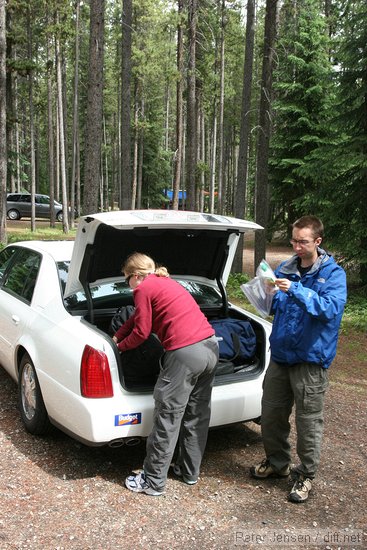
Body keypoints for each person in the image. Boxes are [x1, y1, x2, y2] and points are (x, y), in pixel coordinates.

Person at [250, 216, 347, 503]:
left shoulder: (333, 274)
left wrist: (296, 290)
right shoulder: (286, 268)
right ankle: (277, 464)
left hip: (310, 359)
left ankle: (305, 475)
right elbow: (276, 306)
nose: (296, 246)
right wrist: (267, 292)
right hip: (281, 356)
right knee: (271, 415)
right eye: (294, 241)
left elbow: (329, 309)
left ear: (318, 241)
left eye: (303, 242)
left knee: (308, 422)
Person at [113, 252, 219, 496]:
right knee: (196, 415)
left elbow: (142, 332)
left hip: (184, 355)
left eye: (126, 279)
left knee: (167, 417)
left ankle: (152, 481)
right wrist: (118, 334)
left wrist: (119, 347)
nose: (127, 285)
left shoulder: (142, 289)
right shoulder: (166, 282)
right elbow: (137, 318)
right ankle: (188, 472)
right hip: (211, 347)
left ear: (136, 276)